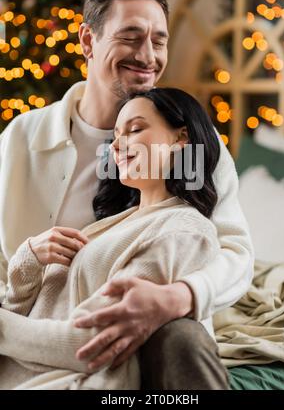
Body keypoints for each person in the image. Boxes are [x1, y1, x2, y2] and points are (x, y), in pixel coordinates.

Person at [0, 0, 253, 390]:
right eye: (131, 36)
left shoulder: (194, 148)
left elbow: (235, 251)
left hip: (148, 330)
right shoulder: (20, 140)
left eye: (159, 39)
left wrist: (180, 296)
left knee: (179, 336)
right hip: (35, 329)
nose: (148, 55)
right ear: (87, 41)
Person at [0, 87, 228, 390]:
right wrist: (27, 260)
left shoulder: (185, 230)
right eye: (115, 135)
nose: (117, 145)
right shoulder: (111, 224)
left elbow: (93, 344)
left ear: (180, 138)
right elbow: (22, 314)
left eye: (134, 130)